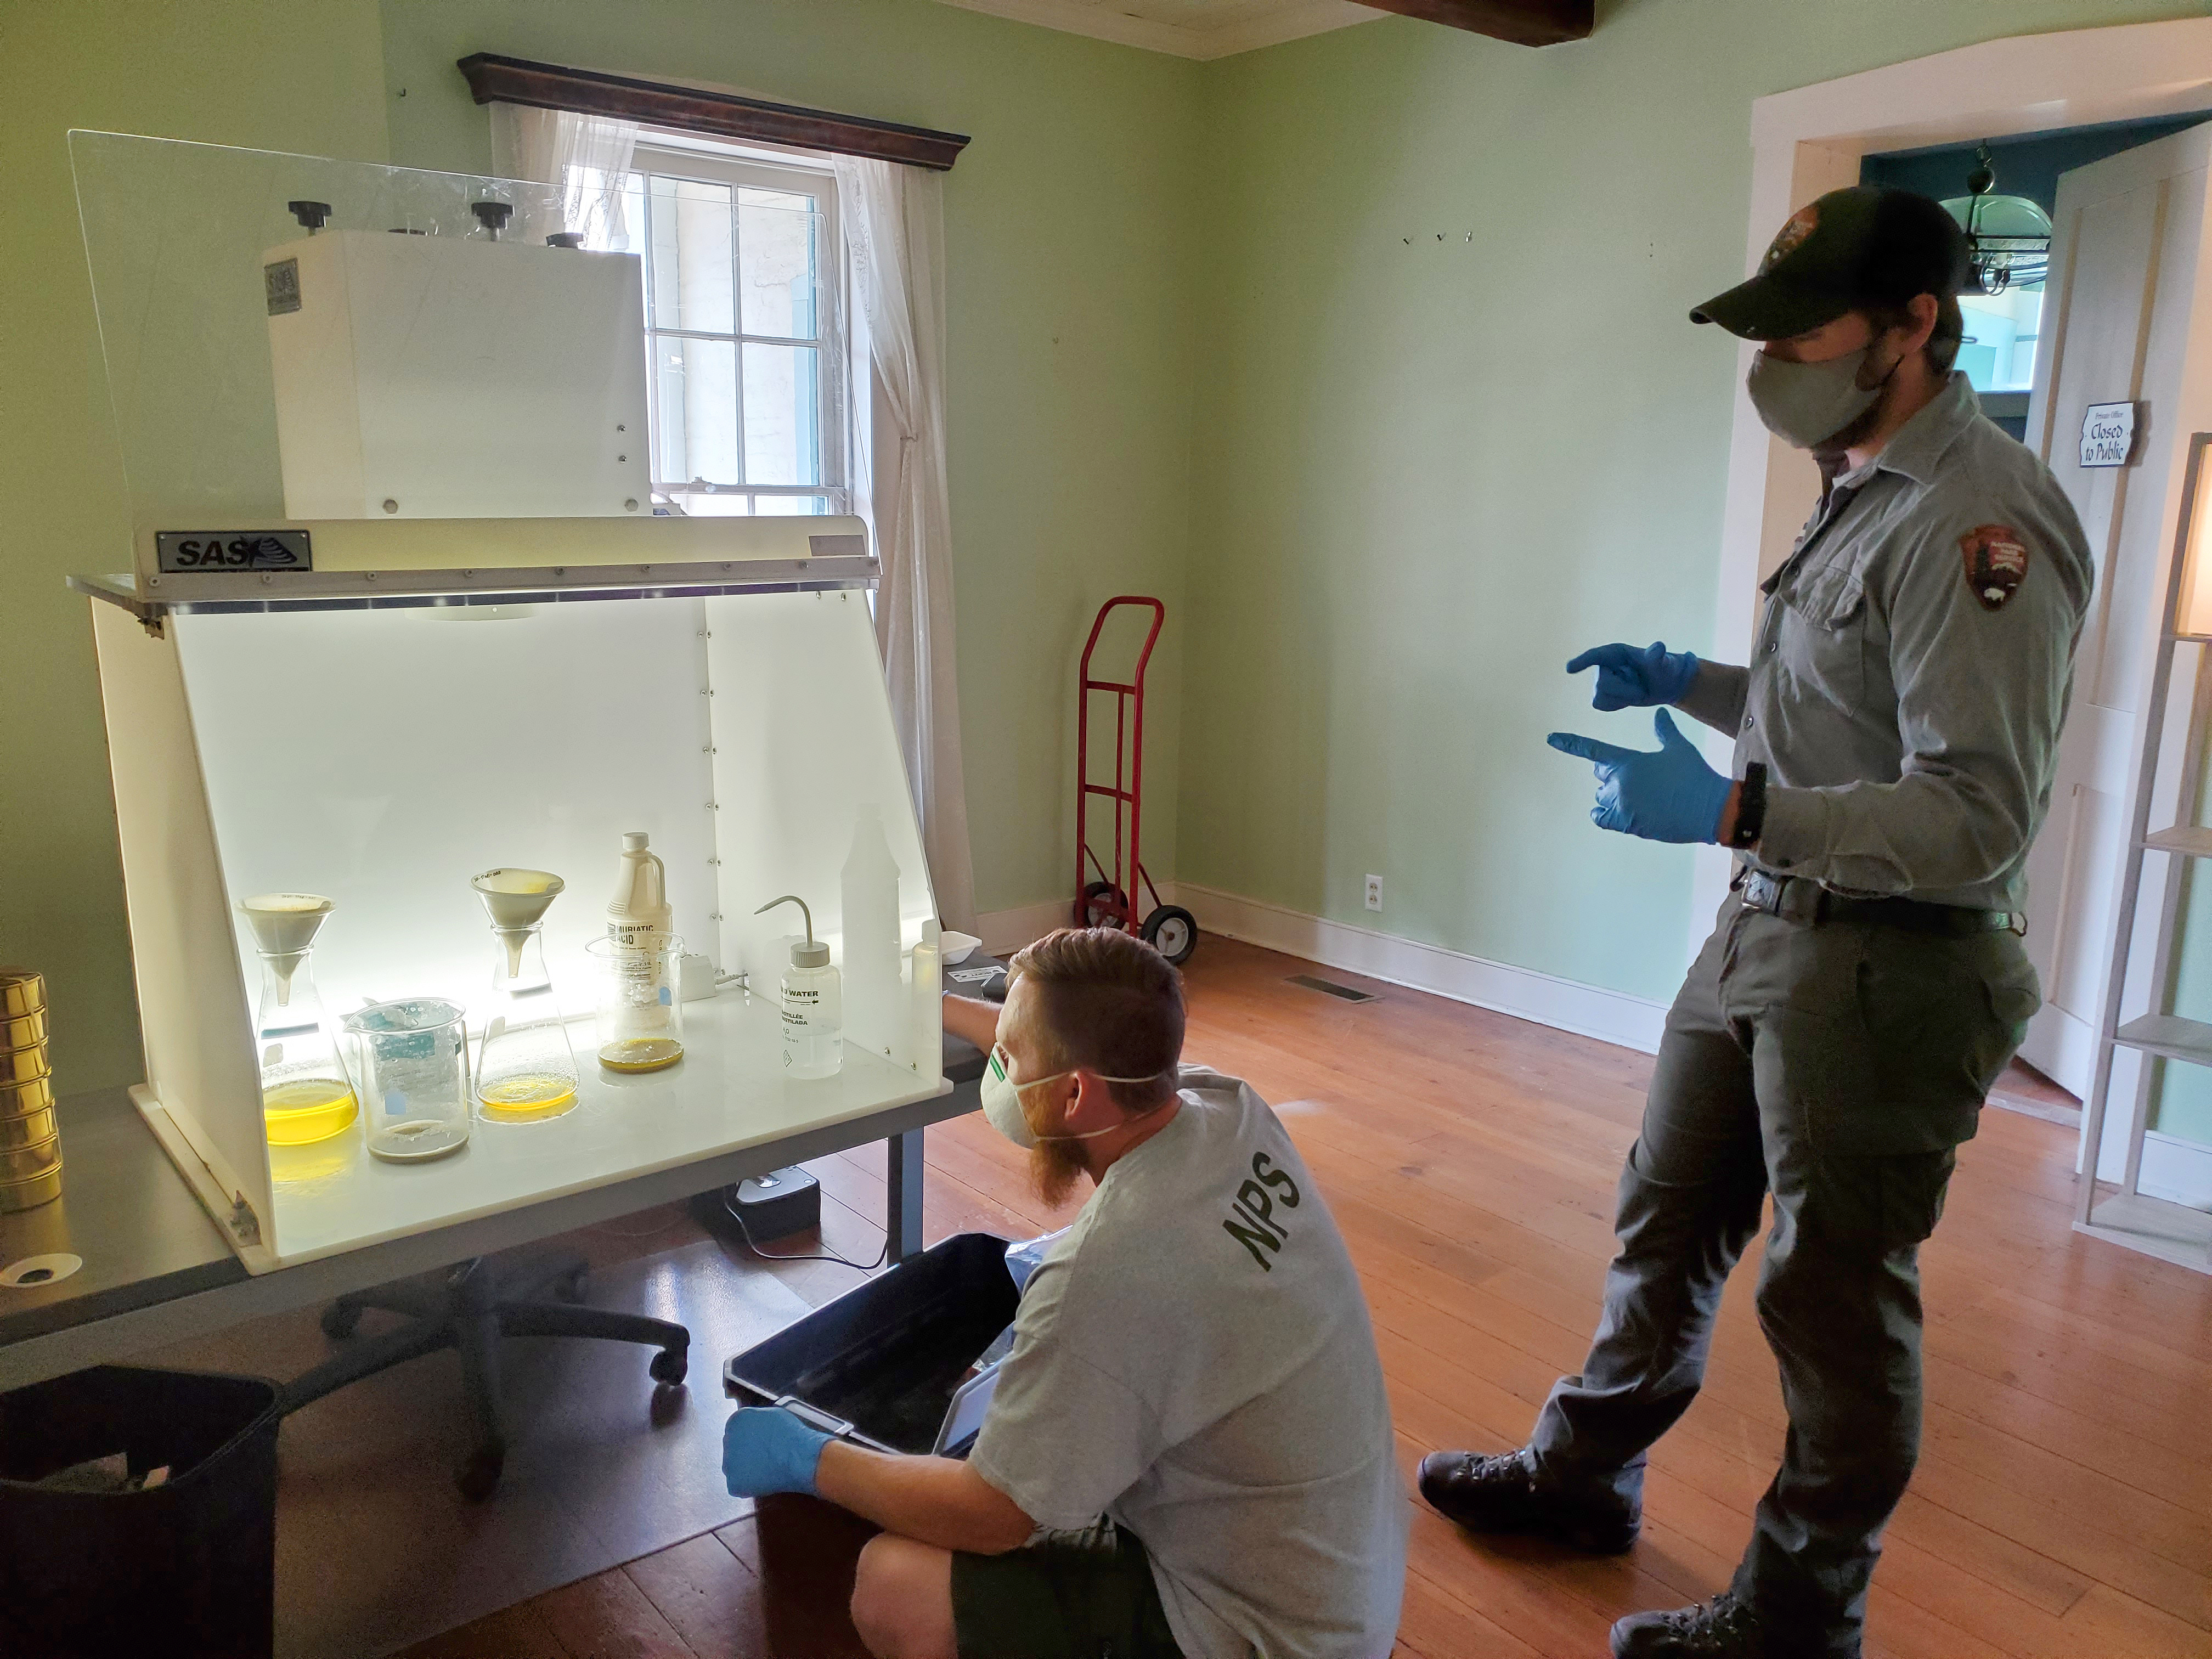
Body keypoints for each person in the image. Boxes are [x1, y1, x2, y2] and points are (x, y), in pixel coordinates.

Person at [1418, 185, 2092, 1659]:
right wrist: (1695, 681)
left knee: (1835, 1309)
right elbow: (1843, 704)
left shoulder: (1982, 517)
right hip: (1768, 932)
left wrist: (1731, 811)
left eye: (1806, 326)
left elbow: (1976, 812)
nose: (1775, 354)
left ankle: (1800, 1619)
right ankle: (1584, 1478)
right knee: (1664, 1222)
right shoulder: (1861, 475)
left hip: (1894, 969)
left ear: (1914, 326)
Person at [721, 926, 1407, 1659]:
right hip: (1340, 1573)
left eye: (1009, 1060)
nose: (999, 1070)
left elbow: (995, 1515)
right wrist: (930, 1001)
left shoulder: (1107, 1271)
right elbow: (1061, 1037)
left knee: (898, 1584)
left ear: (1075, 1093)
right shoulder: (1226, 1108)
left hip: (1263, 1633)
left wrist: (809, 1457)